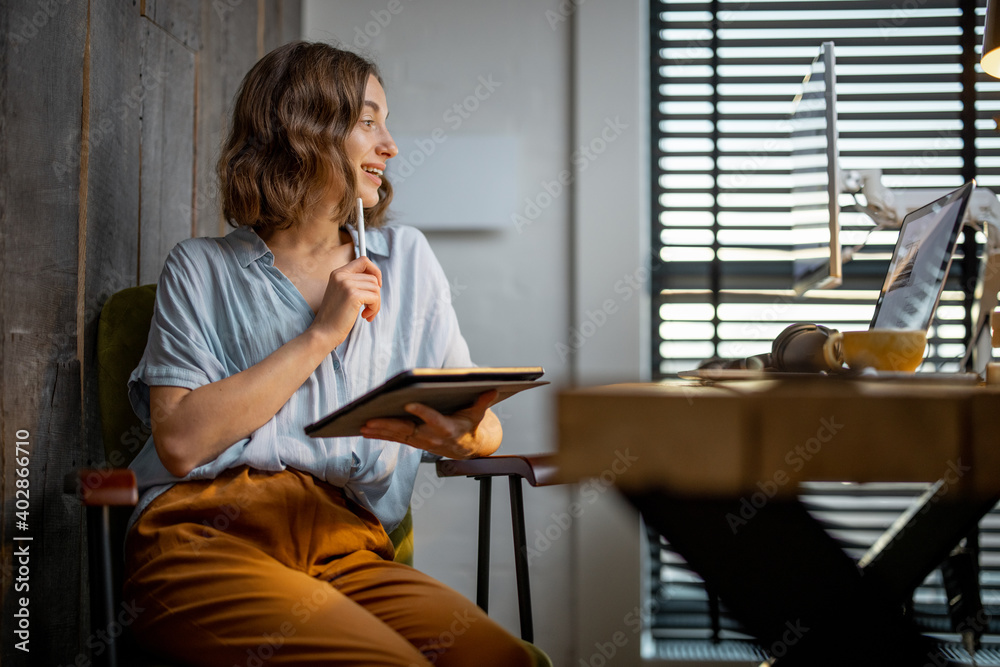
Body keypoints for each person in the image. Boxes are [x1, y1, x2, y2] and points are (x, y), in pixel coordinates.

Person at [122, 41, 536, 666]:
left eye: (385, 122)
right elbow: (179, 444)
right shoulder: (201, 268)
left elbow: (480, 416)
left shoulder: (408, 261)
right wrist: (321, 333)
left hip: (349, 544)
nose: (390, 145)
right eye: (369, 121)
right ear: (303, 129)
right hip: (205, 532)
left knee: (501, 661)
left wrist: (465, 436)